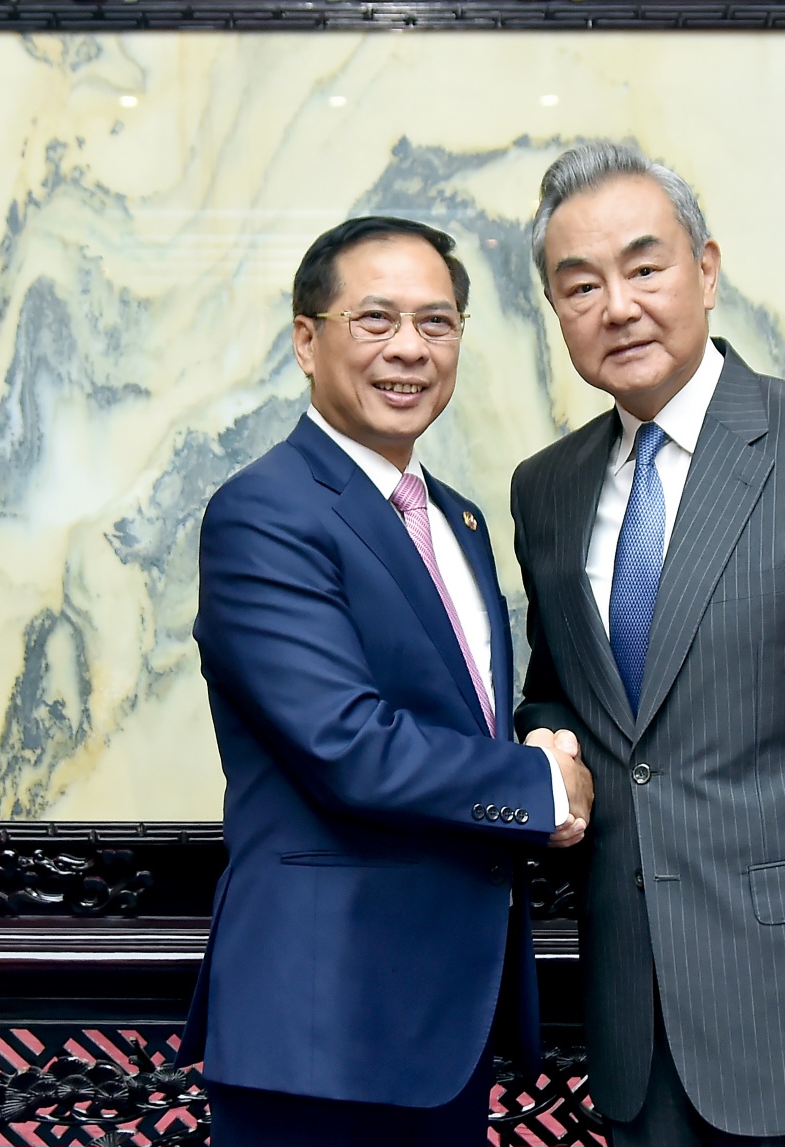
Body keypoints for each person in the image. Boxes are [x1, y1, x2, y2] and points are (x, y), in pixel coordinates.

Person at [511, 143, 785, 1146]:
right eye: (579, 286)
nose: (617, 306)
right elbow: (561, 685)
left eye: (645, 267)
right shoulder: (547, 488)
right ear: (555, 310)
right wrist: (547, 738)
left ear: (706, 271)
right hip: (633, 1014)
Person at [178, 215, 594, 1147]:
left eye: (436, 322)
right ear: (306, 339)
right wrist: (540, 787)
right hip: (321, 1023)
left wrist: (536, 735)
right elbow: (347, 745)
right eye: (375, 319)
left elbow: (456, 711)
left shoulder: (459, 519)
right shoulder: (264, 511)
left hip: (446, 1015)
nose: (410, 348)